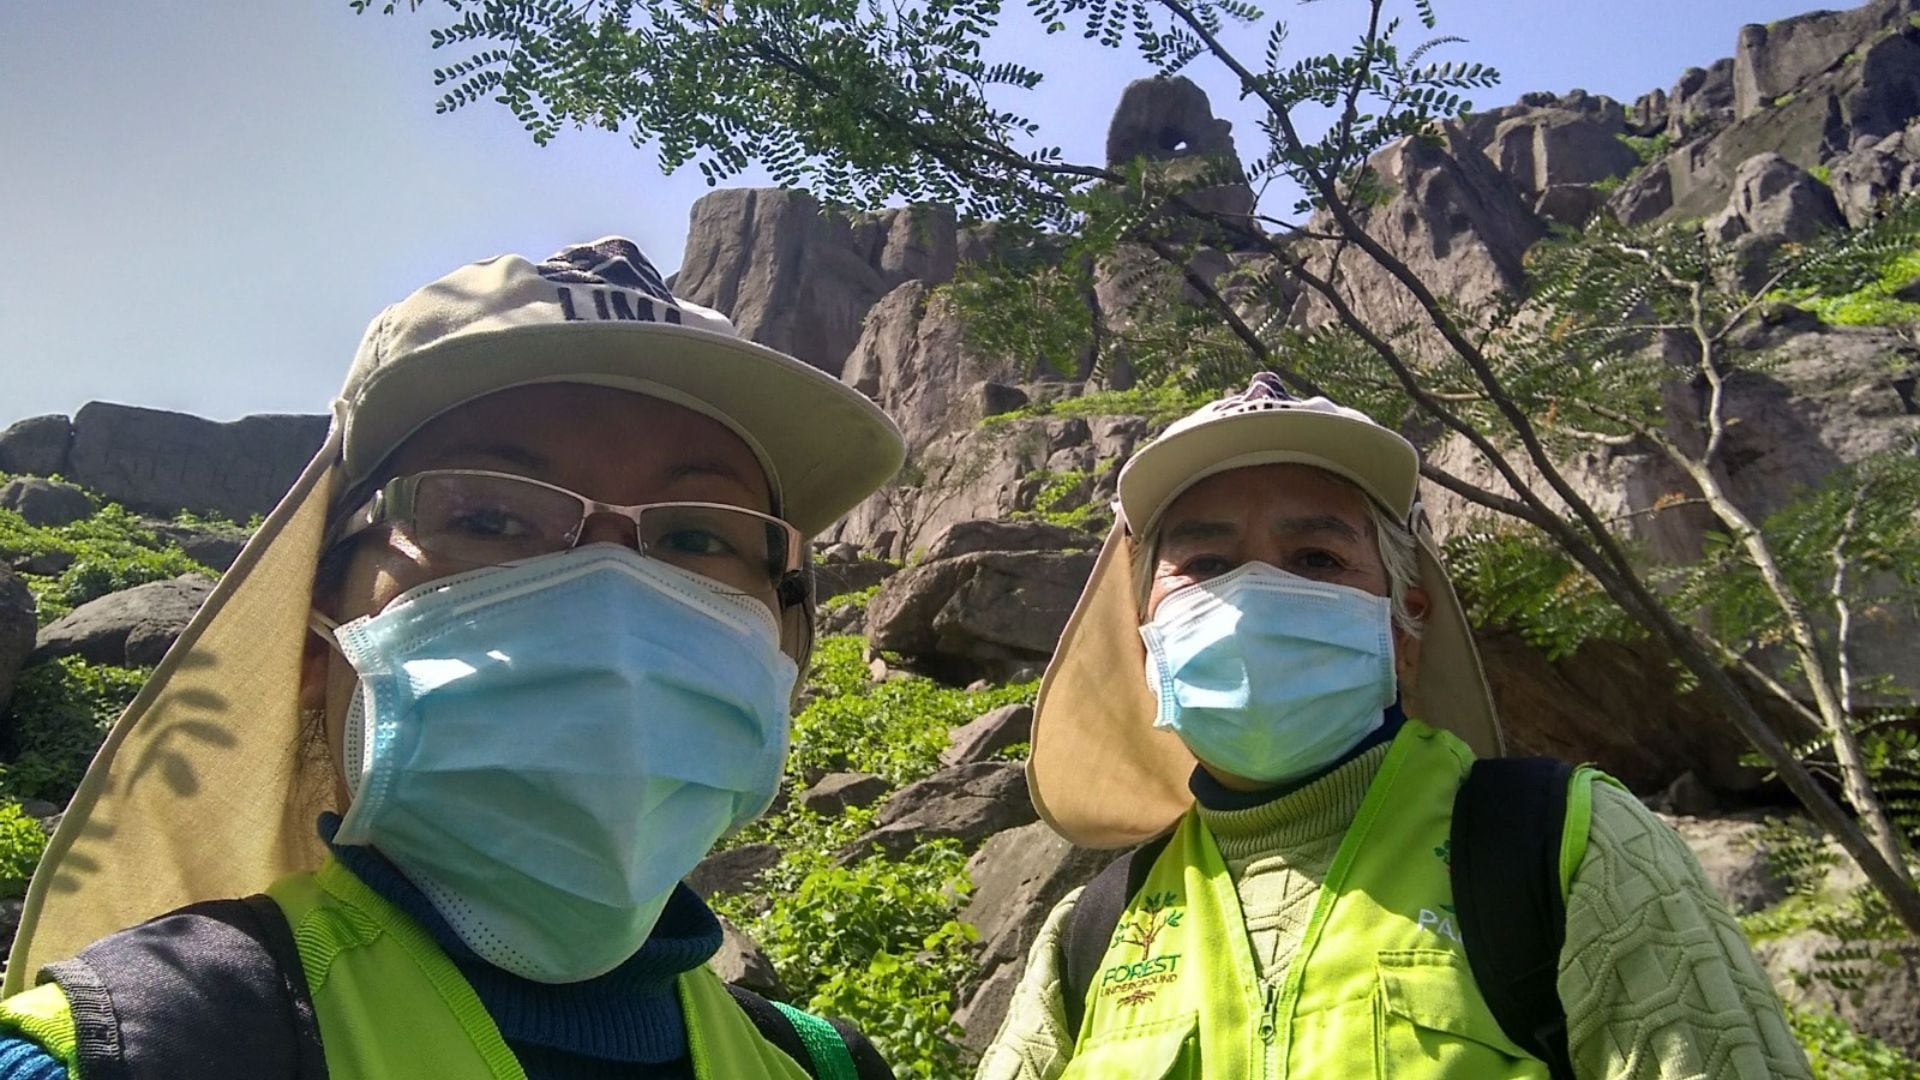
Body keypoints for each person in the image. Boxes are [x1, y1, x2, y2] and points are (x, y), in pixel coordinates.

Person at [0, 238, 904, 1079]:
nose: (612, 600)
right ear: (315, 638)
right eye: (487, 519)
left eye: (699, 536)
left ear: (783, 647)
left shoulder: (820, 1064)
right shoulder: (124, 1049)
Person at [976, 373, 1810, 1079]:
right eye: (1204, 565)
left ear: (1404, 628)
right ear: (1146, 641)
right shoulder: (1091, 932)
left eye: (1316, 561)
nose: (1250, 603)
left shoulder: (1567, 848)